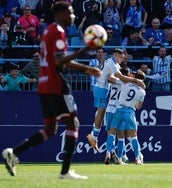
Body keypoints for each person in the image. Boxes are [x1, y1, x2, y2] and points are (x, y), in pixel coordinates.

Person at [1, 1, 101, 179]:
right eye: (70, 13)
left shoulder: (48, 31)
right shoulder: (58, 31)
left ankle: (13, 152)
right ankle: (65, 172)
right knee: (73, 123)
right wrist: (85, 53)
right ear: (60, 14)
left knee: (51, 129)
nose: (73, 16)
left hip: (45, 83)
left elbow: (58, 59)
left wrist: (86, 68)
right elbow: (59, 61)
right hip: (56, 83)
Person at [86, 48, 145, 152]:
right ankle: (93, 136)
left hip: (105, 88)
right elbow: (120, 76)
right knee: (101, 111)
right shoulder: (112, 63)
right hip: (101, 87)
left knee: (101, 112)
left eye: (123, 58)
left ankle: (94, 136)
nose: (122, 60)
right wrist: (136, 80)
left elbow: (113, 78)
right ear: (116, 56)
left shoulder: (115, 64)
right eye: (121, 57)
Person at [109, 70, 146, 165]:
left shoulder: (125, 82)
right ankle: (137, 158)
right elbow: (139, 106)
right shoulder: (142, 91)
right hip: (130, 111)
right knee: (134, 136)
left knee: (113, 134)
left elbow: (112, 79)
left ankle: (114, 156)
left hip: (119, 109)